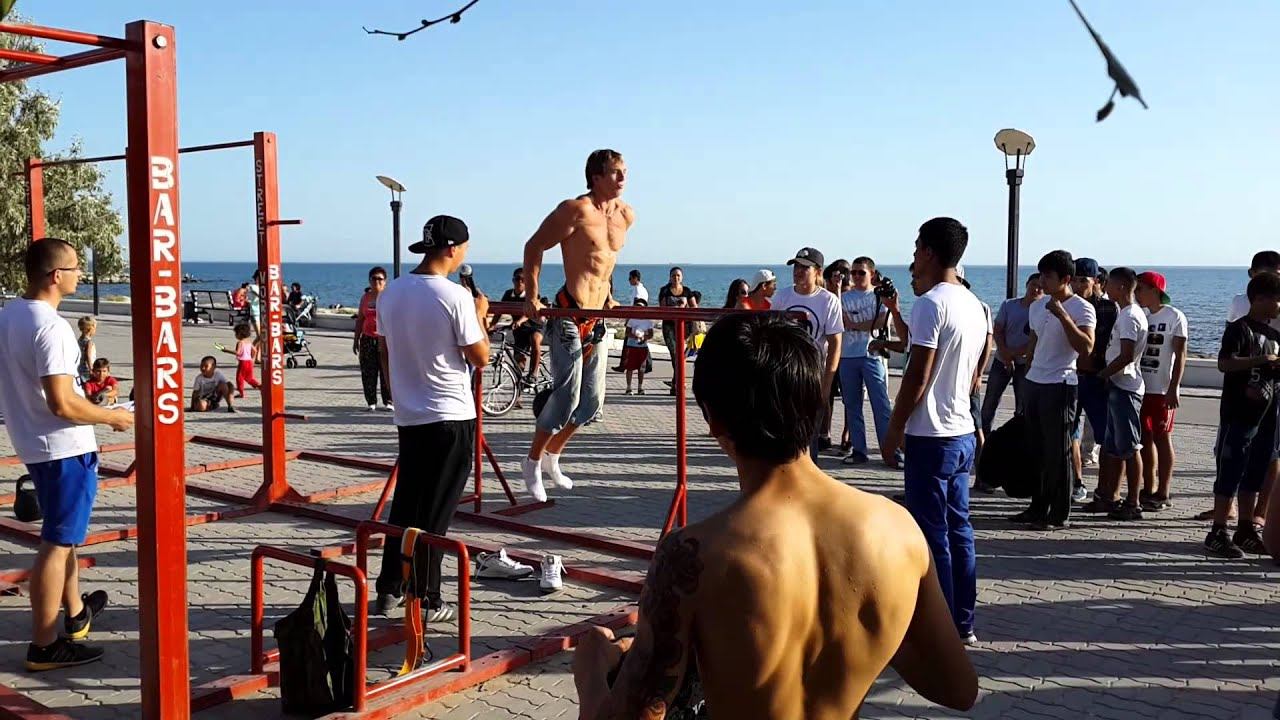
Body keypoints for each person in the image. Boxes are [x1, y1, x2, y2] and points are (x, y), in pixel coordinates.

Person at [572, 312, 978, 719]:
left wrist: (591, 668)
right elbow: (958, 688)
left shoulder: (692, 555)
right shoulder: (899, 529)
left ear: (713, 419)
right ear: (816, 402)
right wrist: (866, 629)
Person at [0, 238, 134, 671]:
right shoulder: (52, 327)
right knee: (56, 545)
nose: (81, 274)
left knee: (65, 536)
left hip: (36, 443)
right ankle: (44, 645)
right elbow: (62, 402)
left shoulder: (10, 314)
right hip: (63, 448)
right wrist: (111, 417)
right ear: (56, 276)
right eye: (76, 268)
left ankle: (76, 614)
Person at [374, 214, 492, 618]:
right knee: (436, 512)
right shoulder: (455, 296)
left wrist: (396, 393)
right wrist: (480, 314)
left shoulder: (390, 293)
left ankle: (390, 586)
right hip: (450, 415)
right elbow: (481, 356)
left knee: (407, 504)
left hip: (411, 415)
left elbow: (386, 351)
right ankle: (427, 596)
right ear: (452, 249)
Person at [882, 218, 988, 643]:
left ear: (928, 252)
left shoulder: (931, 304)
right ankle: (964, 621)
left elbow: (917, 375)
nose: (912, 257)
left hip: (932, 434)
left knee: (933, 533)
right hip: (961, 430)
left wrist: (894, 428)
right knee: (960, 529)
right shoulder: (975, 305)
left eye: (915, 248)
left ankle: (940, 627)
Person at [520, 149, 634, 502]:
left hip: (598, 318)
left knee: (591, 405)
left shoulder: (626, 215)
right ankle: (532, 461)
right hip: (569, 314)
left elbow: (606, 261)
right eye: (615, 172)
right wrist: (532, 296)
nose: (622, 178)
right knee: (567, 397)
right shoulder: (576, 209)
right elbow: (534, 245)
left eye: (625, 172)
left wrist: (611, 294)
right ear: (596, 177)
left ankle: (554, 456)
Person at [1014, 250, 1096, 531]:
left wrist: (1063, 316)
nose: (1042, 282)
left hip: (1061, 384)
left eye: (1048, 277)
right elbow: (1034, 342)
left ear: (1066, 279)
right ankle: (1037, 507)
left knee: (1057, 451)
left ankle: (1059, 512)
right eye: (1041, 275)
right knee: (1036, 450)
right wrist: (1026, 374)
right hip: (1035, 382)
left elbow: (1086, 347)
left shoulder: (1082, 308)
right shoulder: (1037, 306)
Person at [1205, 271, 1280, 559]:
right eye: (1276, 300)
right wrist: (1261, 360)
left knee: (1255, 473)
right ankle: (1218, 529)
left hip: (1267, 417)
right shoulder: (1239, 329)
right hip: (1239, 415)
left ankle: (1246, 528)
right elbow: (1225, 363)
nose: (1278, 307)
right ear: (1259, 299)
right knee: (1230, 471)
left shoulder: (1274, 335)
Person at [770, 247, 843, 458]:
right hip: (784, 373)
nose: (798, 271)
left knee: (808, 438)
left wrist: (827, 384)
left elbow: (835, 343)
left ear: (817, 271)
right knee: (782, 433)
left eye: (805, 268)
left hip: (812, 374)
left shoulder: (828, 301)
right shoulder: (782, 297)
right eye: (796, 266)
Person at [1089, 268, 1149, 521]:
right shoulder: (1127, 314)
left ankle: (1134, 501)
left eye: (1110, 285)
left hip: (1126, 387)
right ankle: (1109, 496)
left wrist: (1103, 374)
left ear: (1122, 287)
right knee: (1114, 446)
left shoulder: (1129, 316)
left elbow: (1126, 354)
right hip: (1119, 385)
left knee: (1129, 446)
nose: (1106, 289)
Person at [1134, 271, 1187, 511]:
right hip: (1141, 385)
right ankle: (1149, 487)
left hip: (1162, 387)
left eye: (1141, 289)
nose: (1137, 294)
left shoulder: (1175, 316)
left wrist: (1174, 387)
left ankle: (1164, 491)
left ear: (1155, 291)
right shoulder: (1142, 316)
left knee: (1162, 437)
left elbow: (1181, 353)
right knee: (1144, 437)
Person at [838, 256, 893, 465]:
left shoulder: (878, 297)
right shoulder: (843, 297)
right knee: (852, 405)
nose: (856, 276)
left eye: (861, 272)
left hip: (871, 355)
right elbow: (841, 320)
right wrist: (857, 324)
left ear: (872, 273)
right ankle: (859, 450)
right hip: (848, 356)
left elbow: (881, 321)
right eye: (853, 272)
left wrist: (856, 324)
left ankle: (890, 451)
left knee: (881, 405)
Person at [1072, 257, 1115, 503]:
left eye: (1083, 280)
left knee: (1104, 436)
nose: (1078, 285)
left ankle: (1105, 489)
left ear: (1096, 281)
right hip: (1071, 377)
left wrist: (1106, 373)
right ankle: (1076, 482)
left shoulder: (1108, 309)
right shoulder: (1069, 305)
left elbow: (1110, 345)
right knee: (1070, 433)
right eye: (1074, 280)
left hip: (1096, 378)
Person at [980, 273, 1042, 433]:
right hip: (1002, 361)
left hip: (1025, 365)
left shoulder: (1042, 311)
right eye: (1033, 284)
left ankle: (1017, 443)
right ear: (1027, 284)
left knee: (1022, 406)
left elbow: (1036, 340)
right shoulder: (1009, 305)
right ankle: (983, 441)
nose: (1036, 289)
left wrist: (1013, 354)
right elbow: (998, 330)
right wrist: (1005, 354)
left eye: (1041, 287)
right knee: (990, 402)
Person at [354, 266, 393, 411]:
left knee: (386, 370)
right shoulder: (365, 298)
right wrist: (356, 339)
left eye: (380, 279)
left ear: (385, 281)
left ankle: (388, 401)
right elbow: (360, 319)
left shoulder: (390, 296)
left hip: (385, 339)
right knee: (368, 371)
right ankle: (371, 401)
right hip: (368, 339)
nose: (377, 281)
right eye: (374, 279)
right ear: (369, 281)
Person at [658, 266, 700, 395]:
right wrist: (676, 307)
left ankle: (676, 384)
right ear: (670, 277)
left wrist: (686, 308)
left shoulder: (687, 291)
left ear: (682, 277)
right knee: (675, 354)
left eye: (678, 275)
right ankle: (678, 383)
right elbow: (663, 308)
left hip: (684, 327)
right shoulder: (665, 291)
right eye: (673, 275)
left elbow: (694, 307)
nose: (676, 278)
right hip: (670, 327)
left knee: (681, 356)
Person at [500, 268, 545, 382]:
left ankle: (533, 374)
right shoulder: (508, 294)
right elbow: (499, 311)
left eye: (523, 280)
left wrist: (519, 321)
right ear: (513, 280)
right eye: (517, 279)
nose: (520, 282)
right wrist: (491, 325)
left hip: (535, 325)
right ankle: (518, 390)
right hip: (519, 329)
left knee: (535, 340)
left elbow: (530, 312)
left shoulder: (532, 295)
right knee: (518, 361)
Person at [622, 298, 655, 394]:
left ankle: (640, 387)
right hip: (631, 345)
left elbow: (651, 334)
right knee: (630, 367)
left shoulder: (648, 321)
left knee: (642, 368)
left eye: (641, 307)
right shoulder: (632, 320)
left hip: (643, 347)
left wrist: (644, 337)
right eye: (637, 307)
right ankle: (628, 387)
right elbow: (627, 332)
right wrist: (635, 336)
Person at [219, 323, 260, 398]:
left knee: (239, 378)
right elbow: (255, 350)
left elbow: (238, 352)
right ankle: (259, 386)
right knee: (249, 378)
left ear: (240, 334)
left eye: (236, 333)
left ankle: (241, 393)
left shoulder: (240, 343)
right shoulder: (249, 342)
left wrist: (226, 350)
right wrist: (252, 359)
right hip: (249, 362)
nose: (235, 335)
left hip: (243, 362)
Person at [75, 316, 96, 382]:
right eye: (95, 328)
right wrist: (91, 369)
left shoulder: (80, 340)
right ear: (90, 329)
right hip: (86, 369)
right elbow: (88, 356)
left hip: (79, 367)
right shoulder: (89, 342)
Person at [246, 270, 263, 336]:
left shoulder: (262, 288)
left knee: (262, 336)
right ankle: (252, 347)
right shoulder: (252, 287)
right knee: (259, 336)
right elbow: (258, 295)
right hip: (255, 312)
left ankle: (255, 347)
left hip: (262, 312)